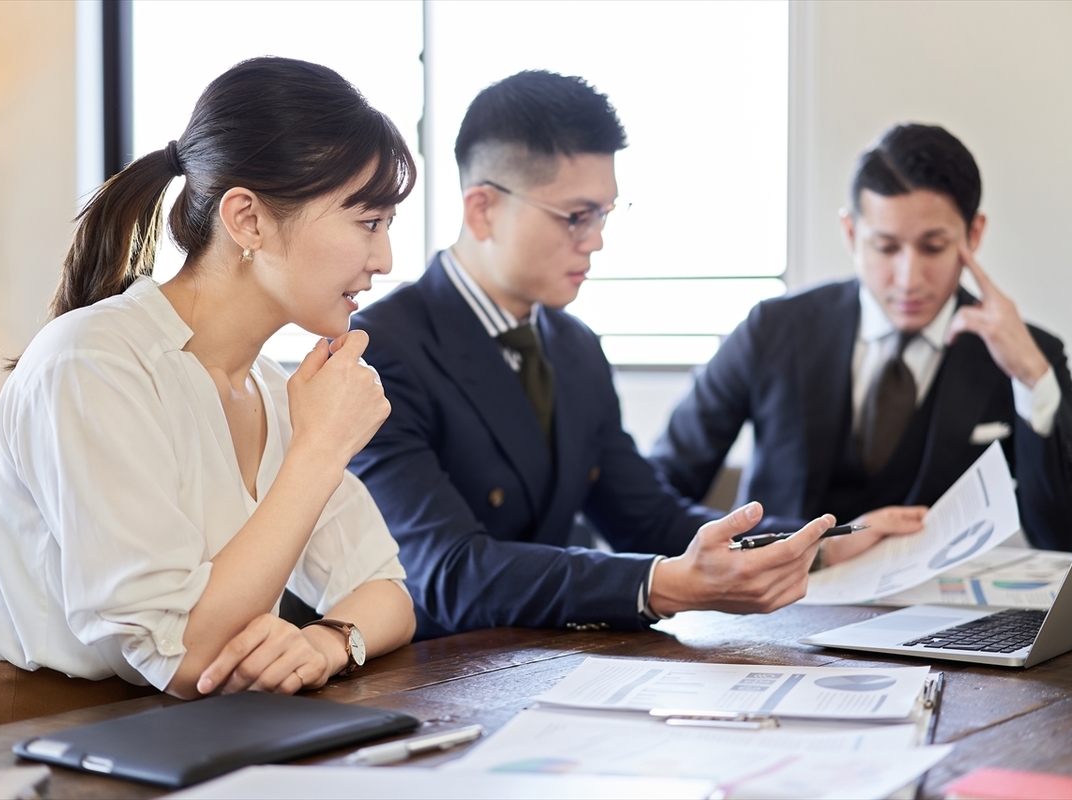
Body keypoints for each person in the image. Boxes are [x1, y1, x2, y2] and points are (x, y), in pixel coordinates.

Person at [0, 57, 417, 730]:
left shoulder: (271, 388)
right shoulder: (94, 363)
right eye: (369, 222)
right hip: (35, 743)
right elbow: (183, 658)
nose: (385, 260)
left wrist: (326, 642)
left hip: (195, 734)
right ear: (248, 220)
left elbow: (386, 591)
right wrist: (321, 450)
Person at [347, 70, 836, 641]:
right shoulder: (379, 351)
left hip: (545, 660)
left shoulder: (574, 346)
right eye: (576, 216)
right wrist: (660, 586)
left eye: (603, 213)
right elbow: (450, 573)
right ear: (482, 210)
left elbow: (648, 519)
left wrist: (816, 540)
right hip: (428, 670)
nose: (596, 239)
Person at [652, 123, 1072, 563]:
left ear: (973, 235)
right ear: (851, 233)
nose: (908, 279)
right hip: (778, 601)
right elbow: (656, 497)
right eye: (885, 247)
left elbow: (1068, 541)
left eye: (933, 247)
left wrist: (1031, 379)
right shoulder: (773, 329)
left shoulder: (1027, 355)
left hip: (936, 604)